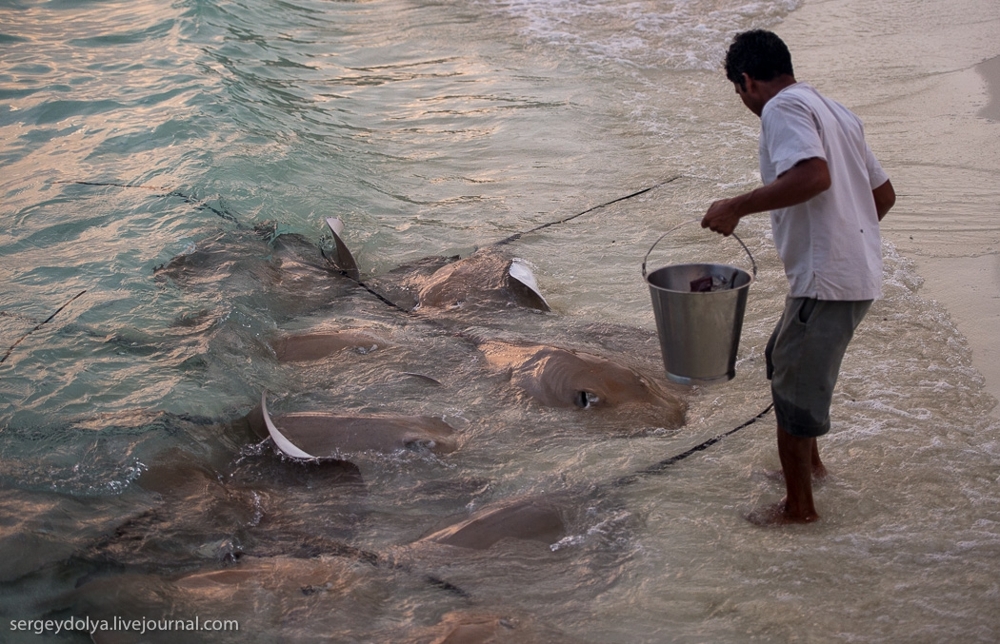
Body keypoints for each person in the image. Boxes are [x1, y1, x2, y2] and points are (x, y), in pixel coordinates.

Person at [701, 30, 896, 524]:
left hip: (826, 280)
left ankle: (799, 508)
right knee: (781, 358)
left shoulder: (781, 110)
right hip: (849, 274)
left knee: (793, 385)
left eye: (739, 92)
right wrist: (843, 233)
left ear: (747, 81)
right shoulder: (835, 111)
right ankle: (812, 467)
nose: (744, 102)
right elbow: (883, 196)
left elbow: (812, 175)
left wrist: (735, 207)